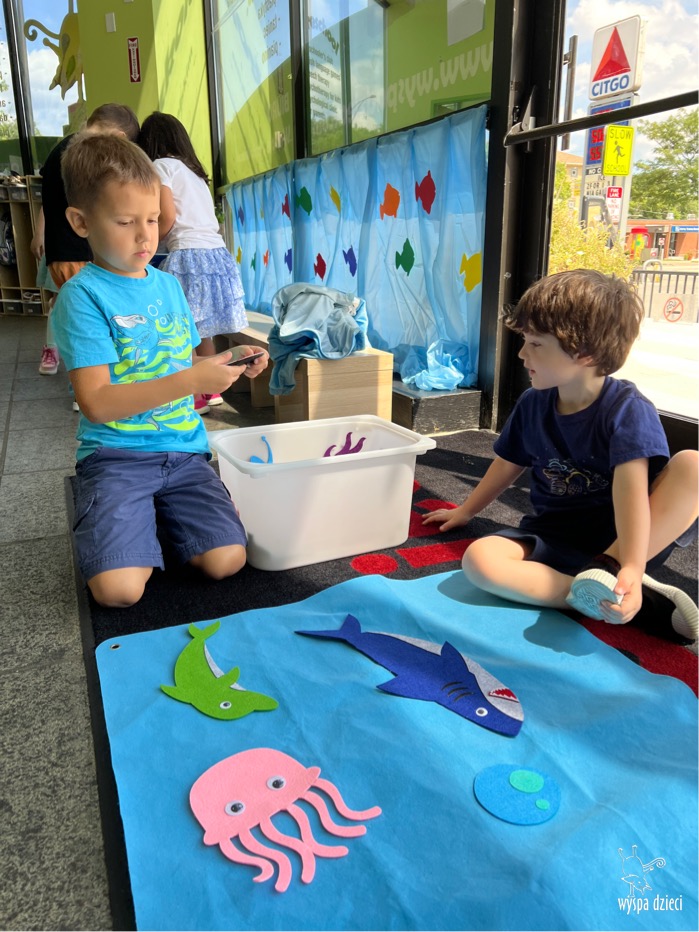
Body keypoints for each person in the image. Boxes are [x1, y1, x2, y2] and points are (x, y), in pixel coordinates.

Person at [50, 131, 269, 609]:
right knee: (119, 592)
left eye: (152, 219)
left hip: (184, 453)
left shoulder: (168, 285)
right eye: (125, 221)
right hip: (116, 457)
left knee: (227, 560)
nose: (145, 235)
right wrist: (192, 380)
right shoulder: (82, 297)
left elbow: (182, 362)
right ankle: (122, 523)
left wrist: (230, 361)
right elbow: (97, 402)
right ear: (80, 222)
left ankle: (149, 524)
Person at [423, 269, 699, 642]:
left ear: (585, 352)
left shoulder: (627, 410)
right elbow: (508, 463)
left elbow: (631, 494)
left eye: (536, 344)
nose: (522, 354)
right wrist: (466, 511)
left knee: (693, 465)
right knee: (479, 560)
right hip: (555, 535)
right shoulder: (532, 403)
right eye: (524, 340)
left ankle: (614, 575)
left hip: (629, 538)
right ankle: (606, 597)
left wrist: (632, 565)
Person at [137, 111, 247, 414]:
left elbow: (168, 217)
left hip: (188, 255)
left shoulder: (161, 166)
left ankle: (195, 394)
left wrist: (147, 245)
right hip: (217, 255)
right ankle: (212, 391)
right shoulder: (195, 173)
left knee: (182, 327)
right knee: (203, 328)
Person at [33, 103, 141, 378]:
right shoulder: (88, 156)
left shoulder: (63, 150)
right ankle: (91, 384)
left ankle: (86, 380)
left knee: (76, 314)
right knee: (90, 320)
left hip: (61, 254)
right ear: (119, 137)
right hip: (78, 254)